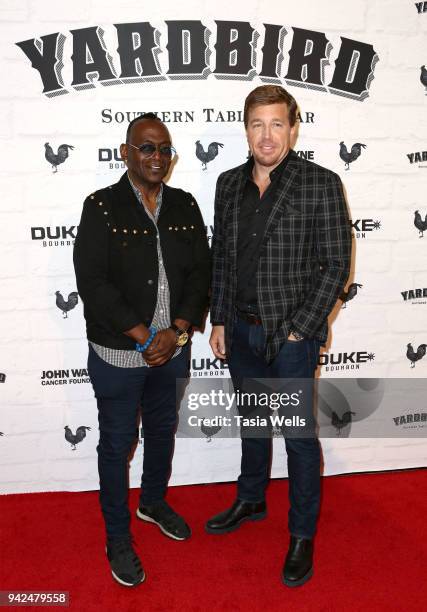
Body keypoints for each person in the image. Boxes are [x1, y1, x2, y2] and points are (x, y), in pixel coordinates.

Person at [207, 85, 352, 587]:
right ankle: (250, 500)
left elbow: (336, 267)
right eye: (256, 125)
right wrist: (220, 319)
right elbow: (222, 259)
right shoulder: (227, 184)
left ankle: (301, 532)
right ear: (245, 128)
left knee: (297, 437)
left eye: (276, 125)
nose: (266, 136)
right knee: (252, 423)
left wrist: (299, 331)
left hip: (291, 338)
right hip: (241, 332)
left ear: (293, 127)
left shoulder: (320, 183)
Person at [73, 113, 210, 587]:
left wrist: (176, 330)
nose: (157, 157)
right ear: (125, 152)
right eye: (147, 148)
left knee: (163, 428)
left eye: (164, 149)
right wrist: (145, 336)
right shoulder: (102, 206)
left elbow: (200, 274)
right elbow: (93, 283)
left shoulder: (185, 205)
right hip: (119, 354)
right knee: (116, 446)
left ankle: (152, 502)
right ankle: (117, 536)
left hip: (173, 348)